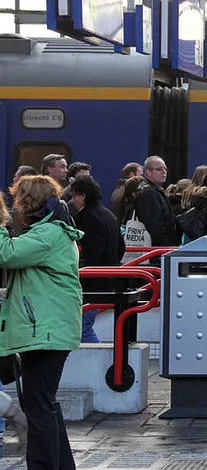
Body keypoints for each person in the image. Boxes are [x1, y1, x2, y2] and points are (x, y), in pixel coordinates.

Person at [0, 176, 81, 468]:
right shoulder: (52, 230)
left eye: (19, 200)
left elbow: (5, 254)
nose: (16, 205)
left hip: (48, 332)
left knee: (38, 407)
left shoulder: (48, 233)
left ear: (27, 202)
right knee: (42, 404)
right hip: (49, 331)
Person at [70, 177, 125, 343]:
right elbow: (121, 247)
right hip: (109, 280)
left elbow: (92, 253)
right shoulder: (108, 215)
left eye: (74, 196)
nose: (73, 201)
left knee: (82, 327)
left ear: (83, 196)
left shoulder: (89, 219)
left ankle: (101, 365)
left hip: (93, 284)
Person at [133, 156, 177, 246]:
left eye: (165, 169)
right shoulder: (148, 192)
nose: (164, 172)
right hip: (155, 250)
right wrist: (164, 247)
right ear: (148, 172)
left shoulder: (155, 190)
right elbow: (153, 224)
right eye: (159, 169)